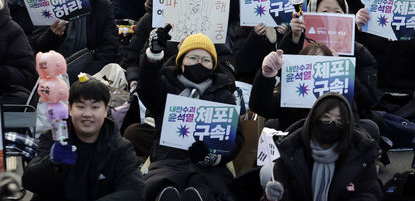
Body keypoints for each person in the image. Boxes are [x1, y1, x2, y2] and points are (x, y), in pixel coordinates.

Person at [139, 31, 244, 201]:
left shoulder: (224, 95)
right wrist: (154, 54)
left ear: (213, 66)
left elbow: (236, 138)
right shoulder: (165, 85)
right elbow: (146, 88)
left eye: (206, 60)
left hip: (209, 168)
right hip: (168, 160)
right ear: (181, 62)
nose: (199, 63)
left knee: (208, 188)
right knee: (160, 185)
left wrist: (212, 156)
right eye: (193, 58)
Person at [22, 78, 145, 200]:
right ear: (70, 109)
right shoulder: (53, 138)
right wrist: (50, 164)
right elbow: (29, 182)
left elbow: (134, 190)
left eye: (95, 107)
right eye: (80, 107)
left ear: (106, 110)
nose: (87, 114)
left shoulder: (120, 148)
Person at [270, 92, 383, 200]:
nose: (332, 124)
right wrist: (274, 196)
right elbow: (283, 190)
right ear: (313, 119)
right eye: (326, 118)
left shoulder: (361, 154)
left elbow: (369, 193)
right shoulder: (290, 152)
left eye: (339, 121)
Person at [31, 0, 119, 82]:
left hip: (91, 75)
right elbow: (37, 47)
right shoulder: (48, 5)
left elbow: (110, 46)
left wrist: (87, 76)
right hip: (52, 74)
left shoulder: (101, 6)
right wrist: (52, 35)